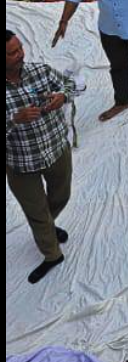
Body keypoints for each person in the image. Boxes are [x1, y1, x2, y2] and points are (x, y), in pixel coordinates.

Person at [6, 29, 76, 284]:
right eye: (12, 53)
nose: (20, 54)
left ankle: (47, 226)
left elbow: (71, 85)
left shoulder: (41, 71)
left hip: (56, 150)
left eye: (20, 48)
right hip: (21, 163)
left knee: (61, 196)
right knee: (36, 211)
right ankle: (52, 255)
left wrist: (62, 96)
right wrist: (13, 119)